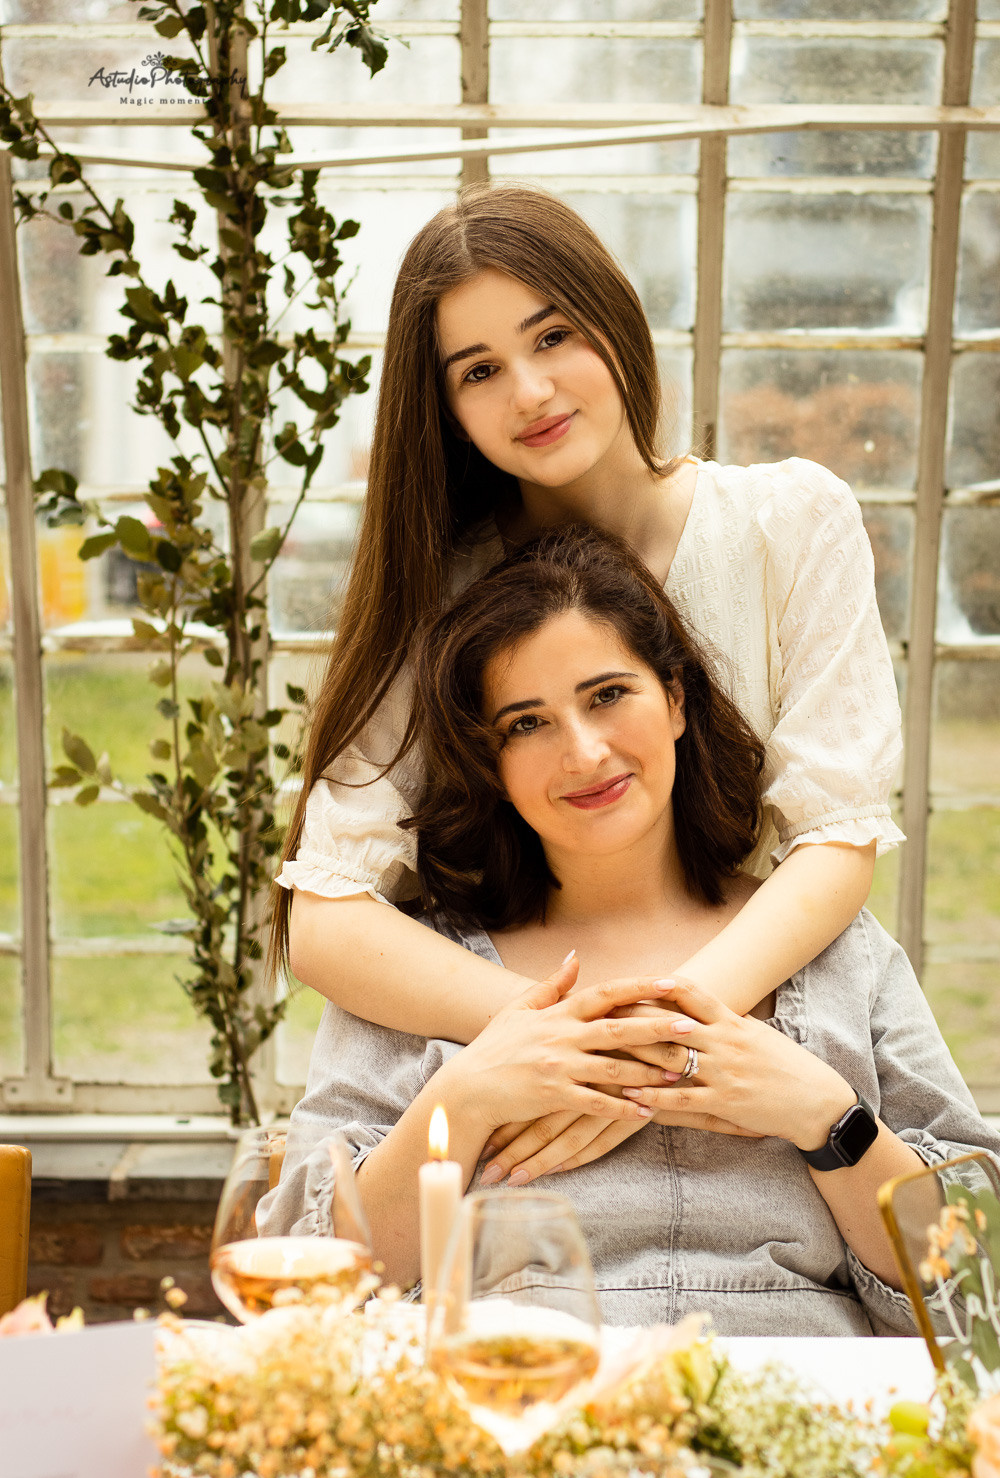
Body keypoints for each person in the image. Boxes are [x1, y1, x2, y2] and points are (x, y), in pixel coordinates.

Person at [271, 183, 904, 1177]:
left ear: (615, 319)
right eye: (480, 369)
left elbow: (836, 834)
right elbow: (327, 918)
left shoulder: (789, 523)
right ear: (445, 408)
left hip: (759, 1047)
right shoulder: (437, 586)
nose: (529, 391)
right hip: (520, 1080)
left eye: (553, 335)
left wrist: (678, 1032)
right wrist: (578, 1040)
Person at [265, 529, 998, 1336]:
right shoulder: (411, 967)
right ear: (491, 767)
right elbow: (306, 1287)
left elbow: (979, 1287)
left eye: (608, 694)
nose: (584, 753)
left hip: (800, 1395)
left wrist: (828, 1118)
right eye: (526, 724)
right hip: (519, 1390)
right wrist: (464, 1100)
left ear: (676, 698)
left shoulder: (836, 954)